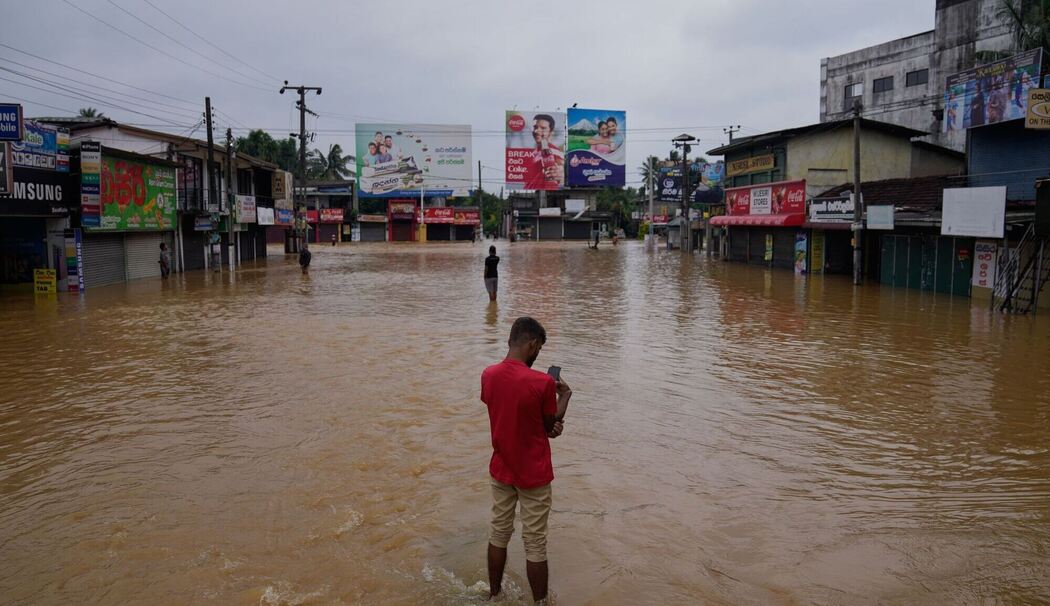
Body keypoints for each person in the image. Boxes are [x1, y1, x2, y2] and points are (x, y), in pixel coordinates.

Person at [481, 317, 572, 604]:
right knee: (534, 544)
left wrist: (546, 426)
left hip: (501, 468)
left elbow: (506, 412)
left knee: (499, 533)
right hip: (533, 474)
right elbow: (549, 425)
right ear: (533, 343)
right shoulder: (543, 382)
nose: (537, 355)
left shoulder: (488, 374)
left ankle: (494, 595)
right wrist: (565, 395)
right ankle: (540, 603)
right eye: (539, 348)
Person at [523, 114, 563, 189]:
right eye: (535, 127)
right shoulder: (533, 153)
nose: (537, 131)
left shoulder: (554, 151)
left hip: (547, 195)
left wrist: (560, 173)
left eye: (543, 128)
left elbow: (561, 171)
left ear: (550, 132)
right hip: (533, 194)